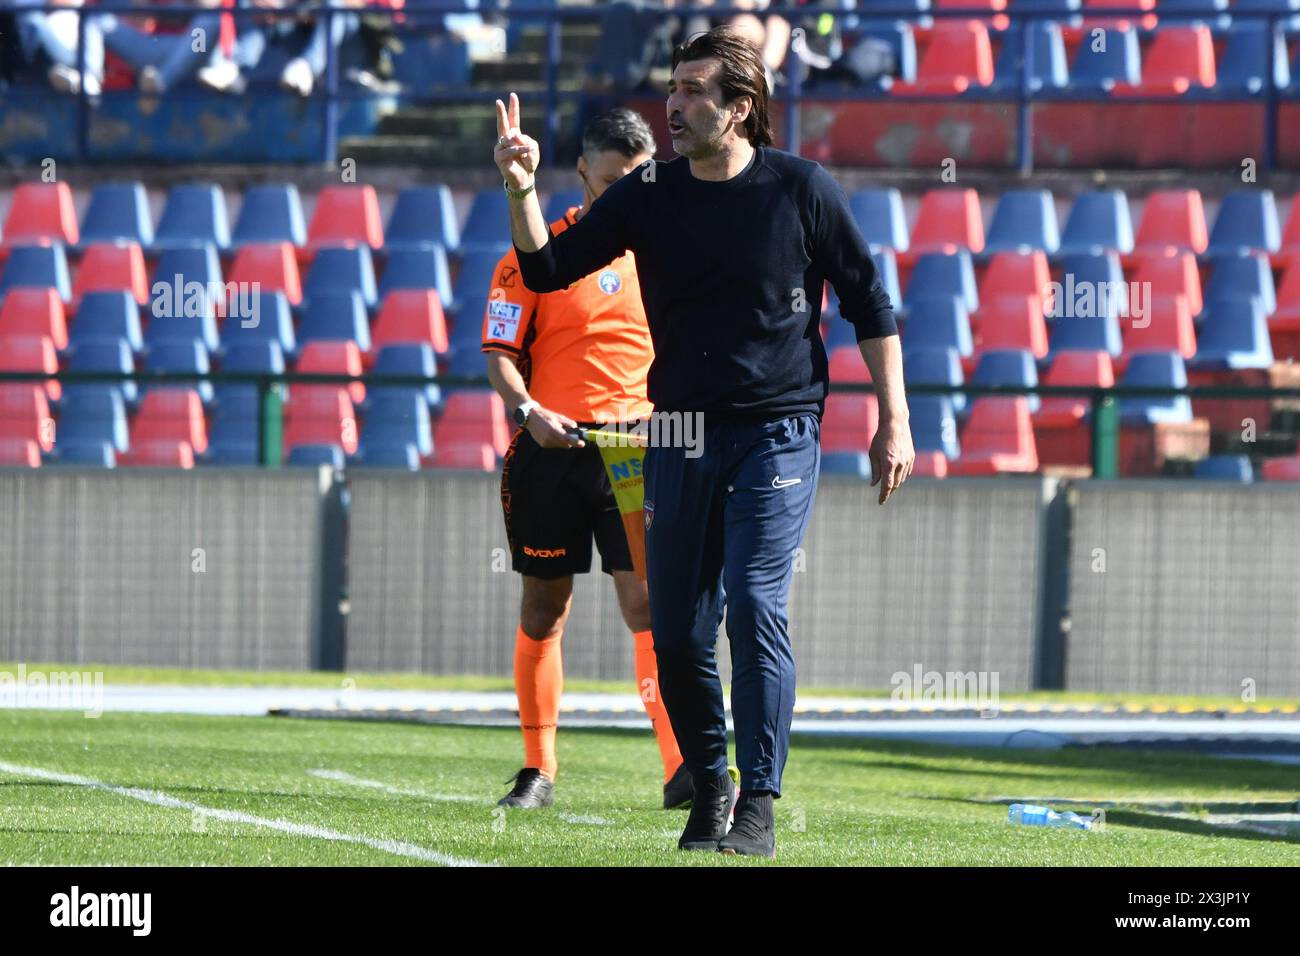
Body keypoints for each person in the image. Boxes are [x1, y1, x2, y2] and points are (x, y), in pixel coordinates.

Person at [493, 27, 914, 857]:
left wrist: (893, 417)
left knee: (757, 603)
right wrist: (520, 190)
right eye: (672, 87)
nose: (672, 105)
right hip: (678, 433)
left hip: (778, 430)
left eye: (691, 91)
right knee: (678, 627)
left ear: (740, 108)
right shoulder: (649, 192)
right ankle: (710, 784)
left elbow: (870, 301)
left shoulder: (801, 189)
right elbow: (545, 272)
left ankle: (757, 802)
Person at [483, 108, 691, 812]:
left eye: (638, 180)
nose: (626, 194)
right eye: (611, 182)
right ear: (581, 173)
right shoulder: (534, 254)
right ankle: (538, 769)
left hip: (633, 451)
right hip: (551, 450)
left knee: (647, 605)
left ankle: (679, 766)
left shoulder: (666, 253)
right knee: (545, 608)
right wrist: (528, 412)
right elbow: (503, 356)